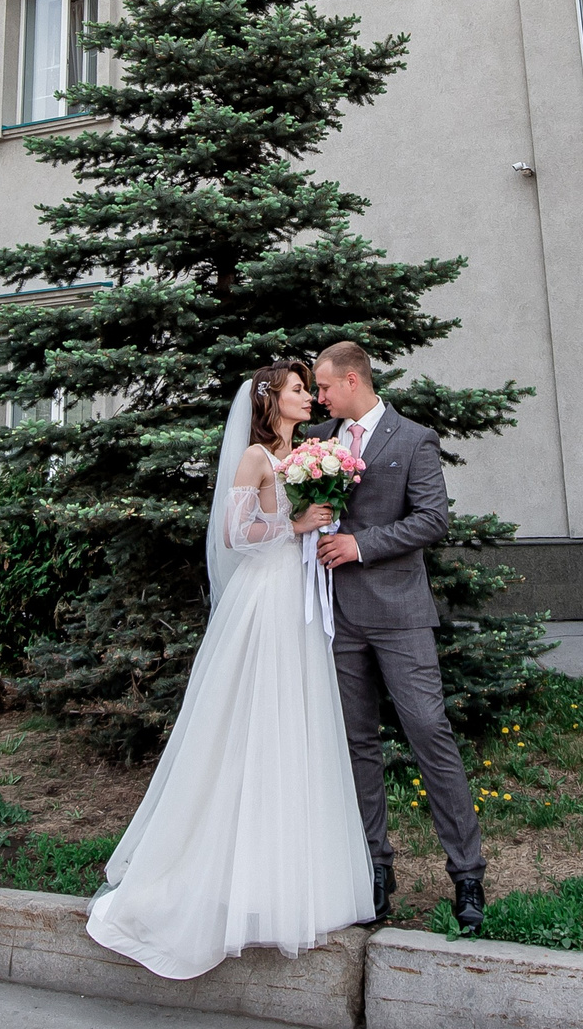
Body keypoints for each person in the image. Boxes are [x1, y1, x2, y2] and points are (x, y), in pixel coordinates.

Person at [85, 362, 375, 979]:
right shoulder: (253, 458)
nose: (308, 397)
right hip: (264, 600)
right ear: (271, 403)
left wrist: (322, 519)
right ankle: (215, 879)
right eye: (299, 389)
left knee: (295, 731)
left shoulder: (308, 456)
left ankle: (287, 884)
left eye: (308, 388)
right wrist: (296, 524)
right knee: (252, 727)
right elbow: (235, 533)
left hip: (299, 602)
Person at [310, 340, 486, 933]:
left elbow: (433, 519)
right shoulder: (321, 443)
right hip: (339, 616)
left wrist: (362, 545)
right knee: (358, 743)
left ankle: (467, 874)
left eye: (326, 387)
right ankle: (374, 869)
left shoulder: (413, 439)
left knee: (429, 732)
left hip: (401, 614)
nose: (319, 396)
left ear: (354, 380)